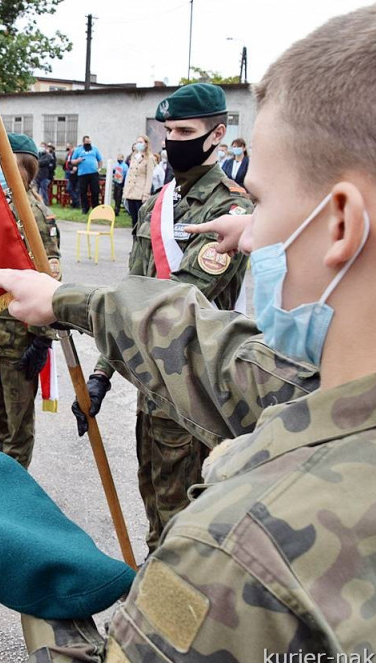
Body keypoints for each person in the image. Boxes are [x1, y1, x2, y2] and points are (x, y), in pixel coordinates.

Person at [0, 3, 376, 663]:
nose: (249, 232)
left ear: (343, 224)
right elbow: (230, 360)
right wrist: (70, 301)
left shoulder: (241, 551)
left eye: (260, 203)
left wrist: (49, 597)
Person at [75, 83, 253, 553]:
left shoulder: (231, 208)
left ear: (217, 135)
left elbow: (177, 297)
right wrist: (100, 374)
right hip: (151, 382)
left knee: (186, 523)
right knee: (154, 503)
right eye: (168, 130)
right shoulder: (157, 203)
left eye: (186, 130)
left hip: (196, 385)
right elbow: (131, 291)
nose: (173, 140)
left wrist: (71, 304)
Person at [0, 134, 61, 469]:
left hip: (19, 337)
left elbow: (50, 278)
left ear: (25, 169)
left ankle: (11, 493)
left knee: (16, 427)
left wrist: (42, 338)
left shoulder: (34, 213)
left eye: (2, 161)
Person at [123, 135, 154, 227]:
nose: (138, 144)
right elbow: (129, 175)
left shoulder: (149, 158)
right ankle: (134, 238)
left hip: (140, 193)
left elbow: (149, 177)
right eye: (137, 142)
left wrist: (146, 194)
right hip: (130, 192)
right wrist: (125, 191)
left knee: (139, 219)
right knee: (133, 219)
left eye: (141, 142)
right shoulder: (133, 157)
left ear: (146, 144)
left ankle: (139, 239)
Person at [70, 136, 102, 214]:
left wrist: (99, 168)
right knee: (83, 191)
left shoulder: (95, 149)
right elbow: (72, 161)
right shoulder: (78, 150)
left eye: (89, 142)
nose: (88, 144)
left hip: (93, 173)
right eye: (86, 142)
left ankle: (95, 208)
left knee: (95, 191)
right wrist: (78, 160)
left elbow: (100, 159)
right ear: (83, 142)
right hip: (82, 174)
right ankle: (85, 208)